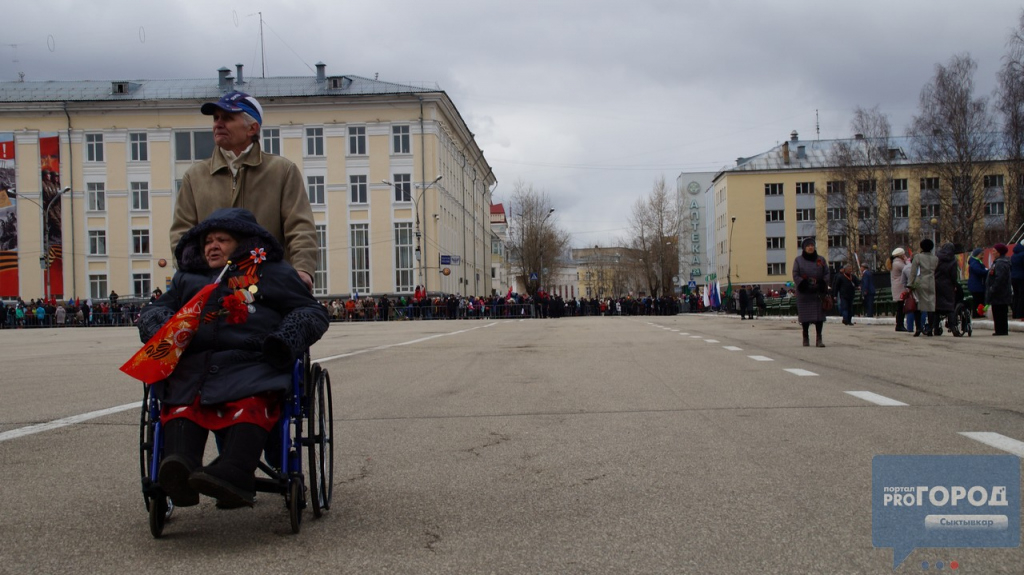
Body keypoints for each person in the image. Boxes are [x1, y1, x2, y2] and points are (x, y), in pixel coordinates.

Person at [138, 208, 329, 508]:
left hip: (252, 360)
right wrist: (163, 327)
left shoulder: (272, 272)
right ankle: (179, 469)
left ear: (242, 243)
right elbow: (155, 309)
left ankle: (235, 472)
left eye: (221, 240)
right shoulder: (187, 278)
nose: (212, 246)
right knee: (181, 401)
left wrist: (285, 339)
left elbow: (310, 311)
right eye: (207, 241)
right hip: (196, 363)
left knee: (252, 398)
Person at [169, 91, 317, 291]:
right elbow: (182, 234)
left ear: (252, 128)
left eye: (227, 118)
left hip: (269, 286)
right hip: (211, 287)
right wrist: (194, 275)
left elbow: (300, 227)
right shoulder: (195, 176)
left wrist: (303, 269)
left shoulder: (282, 171)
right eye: (216, 118)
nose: (218, 124)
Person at [792, 238, 831, 347]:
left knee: (819, 317)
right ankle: (805, 337)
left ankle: (819, 338)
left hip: (818, 293)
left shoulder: (821, 260)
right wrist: (803, 284)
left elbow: (827, 273)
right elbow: (795, 274)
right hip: (804, 293)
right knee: (805, 317)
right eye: (808, 246)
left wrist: (822, 283)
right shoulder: (798, 260)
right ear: (804, 248)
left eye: (812, 245)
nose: (810, 247)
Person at [909, 239, 938, 337]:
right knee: (931, 305)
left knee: (918, 305)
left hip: (920, 282)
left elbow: (913, 272)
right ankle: (930, 329)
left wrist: (910, 284)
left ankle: (918, 328)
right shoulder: (935, 258)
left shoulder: (918, 257)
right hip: (931, 282)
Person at [933, 242, 959, 336]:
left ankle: (936, 328)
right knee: (949, 307)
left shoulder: (936, 258)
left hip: (936, 284)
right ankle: (953, 327)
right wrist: (954, 284)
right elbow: (953, 275)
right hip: (948, 285)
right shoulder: (953, 260)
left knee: (937, 307)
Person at [987, 243, 1012, 336]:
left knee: (999, 311)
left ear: (999, 252)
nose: (993, 252)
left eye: (994, 251)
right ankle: (1000, 330)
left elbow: (1000, 278)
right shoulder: (999, 262)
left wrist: (993, 288)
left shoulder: (1000, 263)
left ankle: (1001, 330)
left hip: (1000, 293)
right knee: (998, 311)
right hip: (1000, 293)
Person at [889, 248, 908, 331]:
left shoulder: (894, 263)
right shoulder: (898, 263)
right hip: (900, 287)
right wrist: (907, 260)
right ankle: (900, 324)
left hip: (897, 287)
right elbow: (908, 269)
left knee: (900, 307)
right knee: (901, 307)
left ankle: (899, 324)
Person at [967, 248, 987, 318]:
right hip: (976, 286)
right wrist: (987, 271)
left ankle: (978, 313)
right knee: (978, 300)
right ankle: (977, 314)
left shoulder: (976, 262)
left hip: (977, 285)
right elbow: (979, 271)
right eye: (981, 254)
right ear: (978, 255)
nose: (983, 256)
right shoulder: (975, 263)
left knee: (979, 300)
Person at [1011, 241, 1024, 319]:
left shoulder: (1014, 255)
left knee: (1016, 295)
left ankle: (1015, 313)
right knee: (1022, 296)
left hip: (1014, 277)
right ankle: (1020, 314)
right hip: (1022, 277)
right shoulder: (1023, 254)